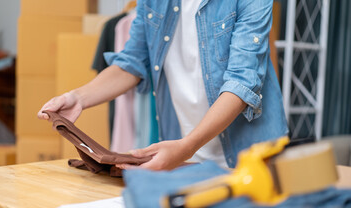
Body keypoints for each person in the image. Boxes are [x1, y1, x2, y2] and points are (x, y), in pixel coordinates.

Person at [38, 0, 288, 171]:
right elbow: (132, 62)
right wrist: (78, 97)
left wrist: (187, 147)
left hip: (252, 157)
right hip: (185, 159)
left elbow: (241, 83)